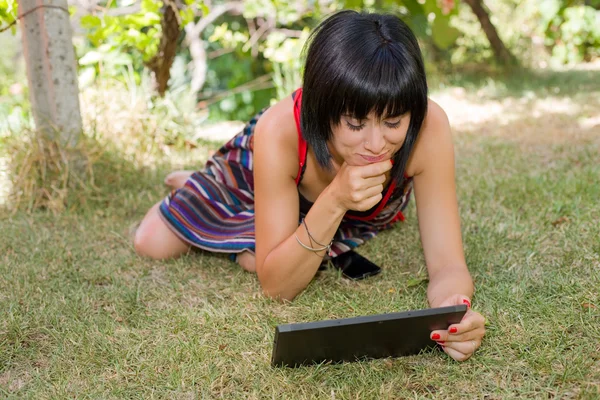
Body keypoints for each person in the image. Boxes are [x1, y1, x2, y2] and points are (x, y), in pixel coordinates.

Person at [134, 10, 486, 361]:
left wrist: (455, 309)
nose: (377, 143)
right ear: (321, 108)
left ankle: (241, 223)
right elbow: (276, 288)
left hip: (346, 214)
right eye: (355, 123)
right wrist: (335, 198)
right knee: (151, 242)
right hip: (259, 172)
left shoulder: (429, 127)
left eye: (393, 121)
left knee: (265, 258)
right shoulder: (279, 130)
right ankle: (207, 187)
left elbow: (448, 266)